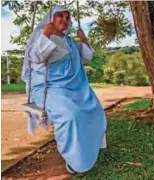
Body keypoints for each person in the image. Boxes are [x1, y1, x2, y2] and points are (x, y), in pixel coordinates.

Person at [22, 6, 107, 174]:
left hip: (73, 87)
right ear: (51, 19)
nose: (65, 19)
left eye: (67, 17)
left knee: (95, 109)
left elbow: (86, 58)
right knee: (71, 115)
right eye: (60, 16)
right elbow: (36, 57)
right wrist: (46, 34)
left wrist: (84, 41)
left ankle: (91, 147)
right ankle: (74, 159)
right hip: (48, 88)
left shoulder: (69, 42)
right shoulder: (42, 37)